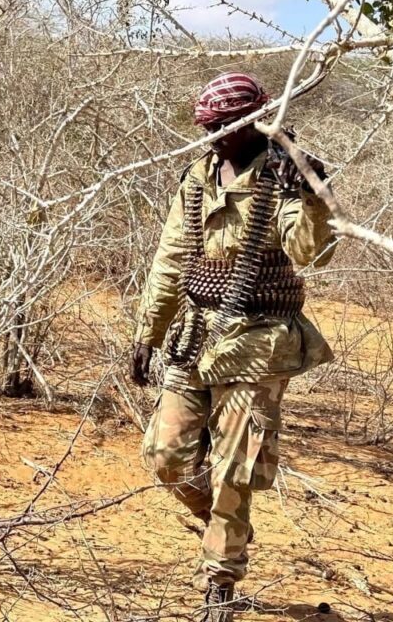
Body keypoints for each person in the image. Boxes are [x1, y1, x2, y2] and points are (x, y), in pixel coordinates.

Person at [131, 73, 336, 621]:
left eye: (225, 126)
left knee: (234, 468)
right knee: (165, 457)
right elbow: (171, 259)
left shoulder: (283, 173)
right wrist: (149, 333)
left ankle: (221, 579)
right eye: (208, 127)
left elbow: (310, 253)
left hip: (259, 340)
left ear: (254, 121)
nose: (214, 136)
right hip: (196, 335)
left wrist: (313, 192)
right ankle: (225, 527)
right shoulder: (198, 176)